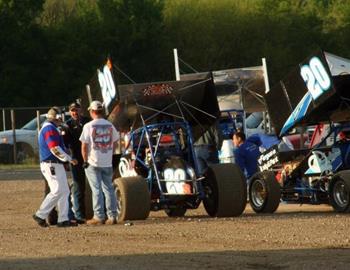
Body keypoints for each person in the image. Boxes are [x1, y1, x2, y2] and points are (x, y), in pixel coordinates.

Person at [33, 107, 78, 228]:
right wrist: (69, 158)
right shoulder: (49, 128)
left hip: (55, 163)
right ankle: (40, 214)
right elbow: (53, 147)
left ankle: (63, 219)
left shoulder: (50, 127)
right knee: (57, 190)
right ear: (57, 118)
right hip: (51, 163)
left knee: (64, 190)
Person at [80, 100, 119, 225]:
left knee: (96, 190)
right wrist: (109, 154)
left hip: (93, 161)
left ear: (92, 111)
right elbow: (115, 142)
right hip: (107, 162)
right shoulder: (109, 125)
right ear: (101, 111)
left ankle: (99, 216)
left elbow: (84, 146)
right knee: (109, 189)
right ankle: (112, 216)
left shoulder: (88, 126)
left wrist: (85, 160)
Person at [63, 102, 90, 223]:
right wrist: (67, 160)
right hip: (76, 159)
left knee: (93, 185)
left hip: (89, 157)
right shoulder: (67, 125)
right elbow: (65, 144)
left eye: (76, 110)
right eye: (72, 110)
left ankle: (97, 212)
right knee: (78, 186)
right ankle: (80, 215)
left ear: (81, 110)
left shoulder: (88, 122)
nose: (75, 112)